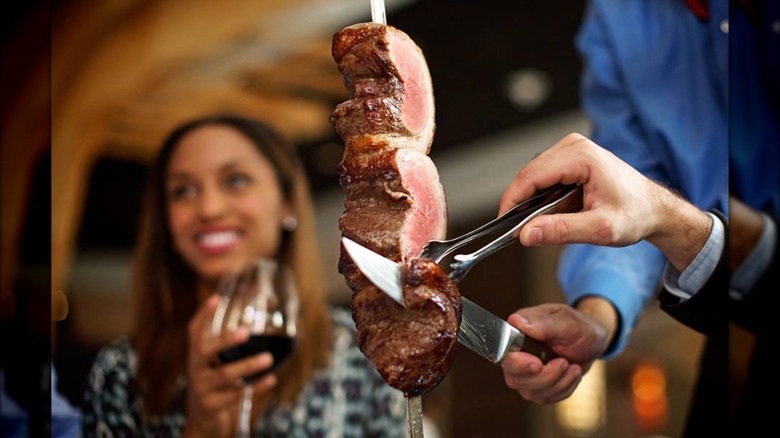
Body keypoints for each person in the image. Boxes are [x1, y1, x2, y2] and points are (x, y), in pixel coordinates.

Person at [496, 0, 778, 436]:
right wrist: (596, 316)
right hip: (727, 328)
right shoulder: (618, 15)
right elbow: (633, 187)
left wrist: (674, 221)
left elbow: (652, 204)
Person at [81, 114, 406, 436]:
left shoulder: (362, 350)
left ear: (288, 204)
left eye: (235, 180)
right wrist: (200, 430)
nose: (209, 208)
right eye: (182, 191)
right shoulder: (122, 373)